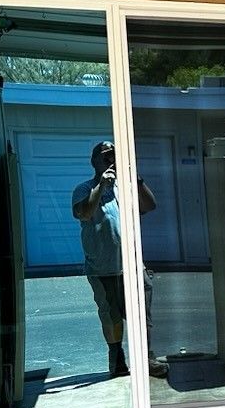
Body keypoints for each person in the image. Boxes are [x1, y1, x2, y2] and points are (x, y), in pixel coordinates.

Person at [72, 140, 168, 379]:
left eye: (113, 155)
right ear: (93, 161)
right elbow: (83, 212)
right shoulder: (84, 189)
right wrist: (102, 186)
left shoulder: (125, 189)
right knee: (111, 317)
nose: (109, 159)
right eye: (105, 156)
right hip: (102, 268)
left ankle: (146, 359)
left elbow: (150, 205)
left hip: (133, 268)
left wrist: (135, 177)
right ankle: (117, 360)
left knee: (141, 316)